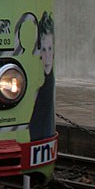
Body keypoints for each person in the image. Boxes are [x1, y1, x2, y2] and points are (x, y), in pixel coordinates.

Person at [29, 12, 56, 140]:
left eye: (50, 49)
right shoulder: (38, 87)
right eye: (43, 50)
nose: (47, 56)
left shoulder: (47, 85)